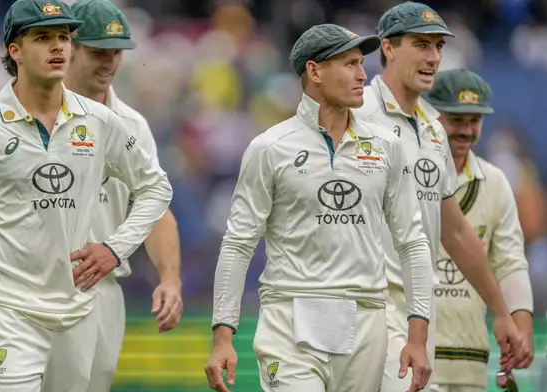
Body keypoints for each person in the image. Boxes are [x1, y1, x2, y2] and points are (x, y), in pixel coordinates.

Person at [0, 0, 173, 390]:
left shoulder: (101, 121)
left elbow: (156, 187)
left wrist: (115, 248)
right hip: (6, 311)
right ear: (14, 50)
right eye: (43, 38)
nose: (58, 47)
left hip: (77, 311)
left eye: (64, 38)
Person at [205, 24, 435, 392]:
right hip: (290, 316)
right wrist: (222, 336)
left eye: (362, 63)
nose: (363, 75)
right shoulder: (270, 147)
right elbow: (238, 243)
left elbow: (412, 242)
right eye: (349, 64)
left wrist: (418, 336)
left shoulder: (387, 146)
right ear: (314, 71)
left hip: (367, 319)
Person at [354, 2, 531, 391]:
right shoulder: (357, 112)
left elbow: (455, 231)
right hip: (366, 304)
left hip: (419, 312)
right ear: (388, 47)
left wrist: (502, 313)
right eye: (421, 45)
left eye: (438, 47)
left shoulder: (433, 131)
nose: (433, 57)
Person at [427, 69, 534, 392]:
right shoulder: (409, 174)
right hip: (410, 352)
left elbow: (510, 260)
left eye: (475, 121)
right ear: (433, 117)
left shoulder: (496, 182)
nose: (466, 131)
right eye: (456, 120)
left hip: (469, 355)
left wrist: (522, 321)